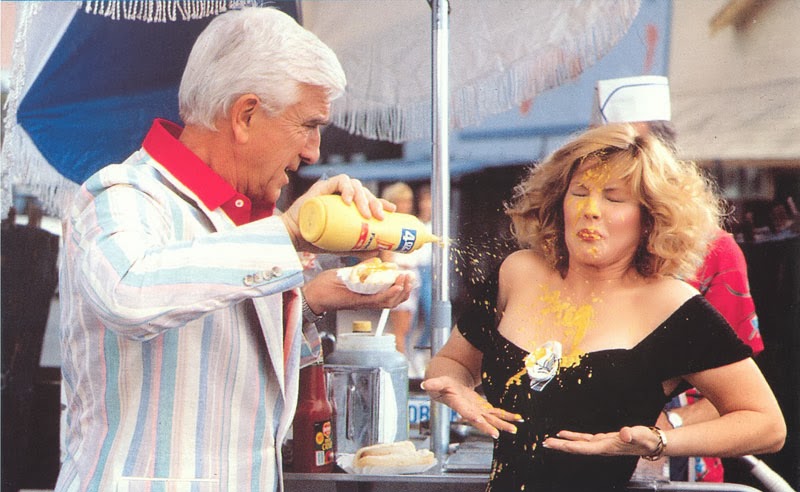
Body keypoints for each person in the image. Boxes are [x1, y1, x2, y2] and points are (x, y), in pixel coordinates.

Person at [55, 8, 412, 492]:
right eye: (308, 125)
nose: (313, 151)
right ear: (245, 115)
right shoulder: (123, 192)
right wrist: (288, 234)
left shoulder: (243, 219)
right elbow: (127, 292)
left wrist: (312, 302)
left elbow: (227, 367)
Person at [421, 123, 785, 491]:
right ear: (558, 203)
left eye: (614, 198)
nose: (590, 210)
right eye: (579, 193)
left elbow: (766, 424)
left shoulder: (672, 306)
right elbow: (451, 364)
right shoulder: (517, 273)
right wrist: (457, 391)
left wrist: (660, 441)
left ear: (650, 216)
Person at [593, 75, 765, 482]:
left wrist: (667, 427)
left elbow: (742, 399)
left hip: (681, 464)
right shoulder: (581, 248)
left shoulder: (713, 250)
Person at [379, 182, 421, 358]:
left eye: (408, 201)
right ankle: (400, 362)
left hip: (413, 277)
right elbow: (386, 257)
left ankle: (402, 360)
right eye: (402, 201)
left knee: (407, 328)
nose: (406, 205)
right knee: (400, 329)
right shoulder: (389, 225)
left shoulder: (411, 223)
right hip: (399, 277)